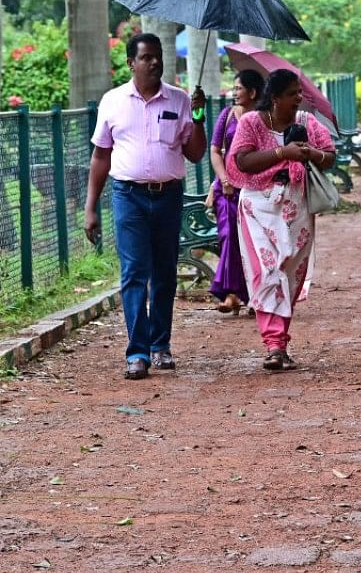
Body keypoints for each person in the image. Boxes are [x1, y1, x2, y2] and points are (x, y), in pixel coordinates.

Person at [85, 33, 207, 380]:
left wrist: (197, 116)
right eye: (147, 57)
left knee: (165, 272)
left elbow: (195, 153)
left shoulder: (180, 100)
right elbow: (101, 155)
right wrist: (90, 207)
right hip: (128, 197)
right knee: (134, 272)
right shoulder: (112, 101)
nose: (154, 62)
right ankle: (137, 352)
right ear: (131, 63)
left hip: (168, 196)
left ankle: (160, 346)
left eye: (158, 57)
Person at [226, 69, 336, 370]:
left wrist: (310, 153)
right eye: (292, 94)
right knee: (266, 271)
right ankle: (273, 344)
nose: (298, 98)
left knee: (289, 273)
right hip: (258, 208)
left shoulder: (306, 123)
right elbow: (242, 161)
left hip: (296, 207)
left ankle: (281, 343)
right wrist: (281, 152)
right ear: (274, 98)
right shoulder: (251, 122)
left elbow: (330, 156)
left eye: (299, 92)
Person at [207, 69, 264, 315]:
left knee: (254, 241)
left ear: (252, 92)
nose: (234, 92)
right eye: (234, 87)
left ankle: (256, 294)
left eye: (239, 88)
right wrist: (224, 178)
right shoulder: (227, 115)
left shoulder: (263, 119)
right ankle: (231, 294)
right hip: (227, 189)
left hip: (254, 189)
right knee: (229, 237)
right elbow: (215, 150)